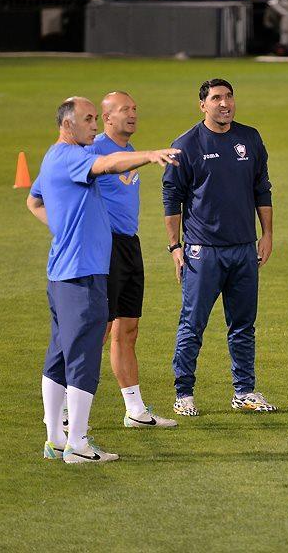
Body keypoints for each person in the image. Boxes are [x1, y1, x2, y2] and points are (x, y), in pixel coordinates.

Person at [27, 97, 178, 463]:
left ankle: (56, 440)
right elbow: (108, 164)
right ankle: (77, 444)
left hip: (63, 272)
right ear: (68, 125)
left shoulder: (53, 156)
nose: (94, 125)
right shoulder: (74, 156)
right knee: (83, 356)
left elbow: (35, 200)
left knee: (59, 356)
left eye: (95, 118)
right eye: (88, 119)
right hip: (84, 273)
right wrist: (150, 155)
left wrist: (66, 229)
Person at [162, 78, 276, 416]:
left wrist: (267, 234)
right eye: (216, 98)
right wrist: (175, 247)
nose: (224, 103)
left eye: (228, 97)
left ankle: (245, 391)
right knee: (192, 324)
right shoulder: (186, 145)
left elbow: (262, 188)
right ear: (203, 105)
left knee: (243, 325)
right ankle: (183, 394)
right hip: (203, 251)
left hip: (243, 249)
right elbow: (172, 198)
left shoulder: (250, 138)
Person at [86, 91, 177, 428]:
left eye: (135, 108)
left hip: (129, 245)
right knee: (99, 329)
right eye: (125, 109)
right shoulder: (94, 149)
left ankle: (135, 411)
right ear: (107, 117)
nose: (133, 114)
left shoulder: (128, 150)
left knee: (128, 328)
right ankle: (66, 409)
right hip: (104, 246)